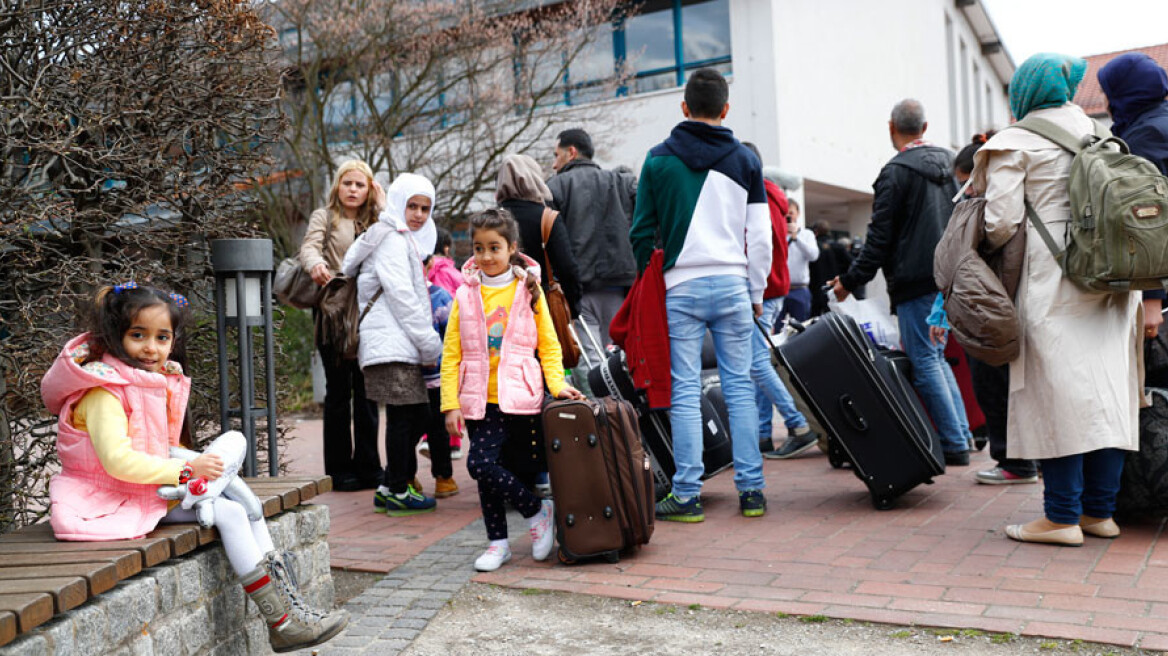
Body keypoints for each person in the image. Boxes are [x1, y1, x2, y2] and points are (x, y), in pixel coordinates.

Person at [41, 284, 348, 652]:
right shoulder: (103, 391)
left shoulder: (147, 381)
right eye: (137, 335)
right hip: (105, 501)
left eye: (162, 337)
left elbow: (158, 448)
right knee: (232, 511)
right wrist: (188, 472)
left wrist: (192, 466)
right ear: (115, 335)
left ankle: (289, 613)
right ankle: (282, 621)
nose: (151, 347)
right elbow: (118, 461)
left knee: (237, 487)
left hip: (142, 491)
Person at [973, 53, 1141, 546]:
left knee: (1056, 398)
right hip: (1113, 285)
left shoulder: (1015, 142)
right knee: (1108, 397)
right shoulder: (1101, 134)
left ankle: (1060, 517)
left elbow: (999, 222)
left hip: (1054, 283)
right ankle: (1099, 514)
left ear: (1023, 90)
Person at [630, 68, 772, 521]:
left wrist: (649, 276)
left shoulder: (656, 160)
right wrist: (756, 290)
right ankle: (752, 491)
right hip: (733, 284)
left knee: (686, 390)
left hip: (681, 286)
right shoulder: (746, 160)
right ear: (726, 109)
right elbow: (762, 237)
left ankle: (687, 494)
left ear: (684, 106)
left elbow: (640, 233)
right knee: (740, 386)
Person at [830, 98, 974, 466]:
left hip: (915, 280)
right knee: (937, 358)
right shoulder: (953, 163)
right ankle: (962, 436)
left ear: (891, 127)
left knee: (925, 360)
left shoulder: (894, 173)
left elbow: (879, 239)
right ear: (925, 128)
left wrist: (849, 281)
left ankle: (955, 443)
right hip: (952, 276)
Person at [440, 208, 584, 572]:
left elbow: (549, 345)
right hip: (478, 399)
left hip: (521, 395)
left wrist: (558, 384)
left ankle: (530, 516)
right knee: (482, 466)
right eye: (478, 248)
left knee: (506, 469)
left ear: (512, 248)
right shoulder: (463, 295)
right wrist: (449, 404)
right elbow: (451, 353)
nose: (486, 256)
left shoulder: (528, 290)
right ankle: (514, 529)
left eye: (494, 247)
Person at [342, 173, 453, 515]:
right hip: (391, 345)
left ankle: (390, 485)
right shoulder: (391, 239)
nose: (419, 214)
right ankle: (398, 488)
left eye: (425, 208)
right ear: (398, 203)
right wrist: (429, 343)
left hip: (393, 344)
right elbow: (403, 297)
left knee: (411, 415)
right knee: (410, 416)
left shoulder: (396, 237)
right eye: (412, 206)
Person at [952, 132, 1039, 486]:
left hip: (994, 306)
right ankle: (1023, 460)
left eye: (967, 183)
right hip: (1013, 302)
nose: (966, 192)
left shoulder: (994, 209)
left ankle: (1016, 463)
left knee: (993, 382)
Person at [299, 159, 381, 492]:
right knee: (337, 392)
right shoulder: (325, 216)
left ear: (369, 189)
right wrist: (316, 263)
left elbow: (401, 234)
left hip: (370, 311)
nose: (353, 190)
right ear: (337, 185)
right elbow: (309, 247)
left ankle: (369, 466)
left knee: (367, 391)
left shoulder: (376, 219)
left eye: (360, 184)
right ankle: (339, 470)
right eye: (347, 183)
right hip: (333, 312)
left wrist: (383, 200)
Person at [741, 142, 820, 459]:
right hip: (774, 287)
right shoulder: (772, 193)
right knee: (758, 363)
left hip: (764, 289)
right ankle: (763, 433)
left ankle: (798, 424)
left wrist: (754, 291)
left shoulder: (756, 195)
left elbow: (760, 245)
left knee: (757, 363)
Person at [547, 128, 638, 364]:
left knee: (593, 360)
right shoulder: (621, 183)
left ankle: (603, 401)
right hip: (620, 286)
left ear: (571, 152)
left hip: (580, 288)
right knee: (621, 357)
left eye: (557, 155)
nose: (554, 164)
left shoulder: (555, 188)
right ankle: (625, 401)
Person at [1098, 53, 1168, 342]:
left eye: (1107, 93)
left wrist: (1152, 297)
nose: (1104, 102)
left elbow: (1148, 215)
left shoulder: (1145, 136)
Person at [418, 228, 465, 461]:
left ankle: (427, 438)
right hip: (447, 335)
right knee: (449, 396)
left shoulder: (423, 274)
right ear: (446, 248)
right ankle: (454, 442)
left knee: (428, 402)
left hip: (424, 348)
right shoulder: (454, 274)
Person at [779, 199, 819, 322]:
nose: (788, 215)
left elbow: (814, 256)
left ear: (798, 214)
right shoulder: (777, 233)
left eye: (791, 212)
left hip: (800, 289)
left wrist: (796, 238)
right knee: (776, 328)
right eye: (785, 212)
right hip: (779, 290)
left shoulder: (807, 234)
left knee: (801, 326)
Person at [808, 221, 852, 317]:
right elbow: (851, 262)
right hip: (834, 288)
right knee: (834, 318)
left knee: (813, 319)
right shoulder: (838, 247)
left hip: (815, 288)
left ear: (815, 232)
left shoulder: (812, 248)